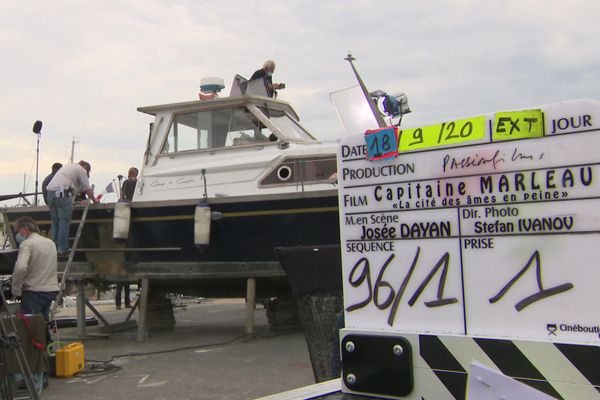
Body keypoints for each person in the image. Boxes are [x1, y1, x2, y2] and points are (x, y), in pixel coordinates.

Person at [11, 217, 59, 322]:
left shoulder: (27, 244)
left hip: (33, 291)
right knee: (43, 324)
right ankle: (45, 338)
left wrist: (16, 289)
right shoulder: (50, 243)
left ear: (26, 228)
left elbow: (20, 267)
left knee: (30, 327)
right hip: (50, 290)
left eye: (19, 231)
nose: (18, 235)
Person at [46, 161, 98, 255]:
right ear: (86, 168)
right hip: (62, 193)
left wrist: (76, 200)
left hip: (50, 194)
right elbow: (87, 189)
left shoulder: (68, 168)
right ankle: (62, 249)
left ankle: (53, 248)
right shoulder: (81, 170)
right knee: (64, 221)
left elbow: (73, 188)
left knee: (55, 222)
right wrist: (94, 200)